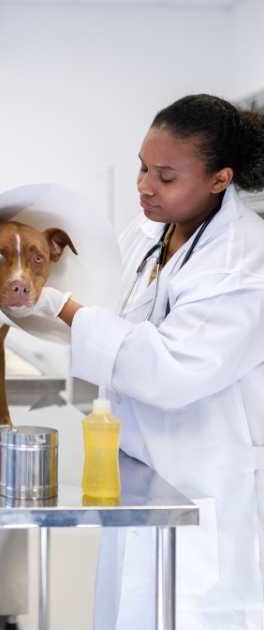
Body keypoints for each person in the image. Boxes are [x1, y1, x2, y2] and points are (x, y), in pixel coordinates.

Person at [32, 94, 264, 629]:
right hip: (143, 473)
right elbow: (113, 312)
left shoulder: (240, 261)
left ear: (219, 179)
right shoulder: (148, 233)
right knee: (129, 605)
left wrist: (63, 307)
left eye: (165, 176)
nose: (144, 186)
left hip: (206, 482)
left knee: (190, 610)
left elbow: (170, 372)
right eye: (142, 167)